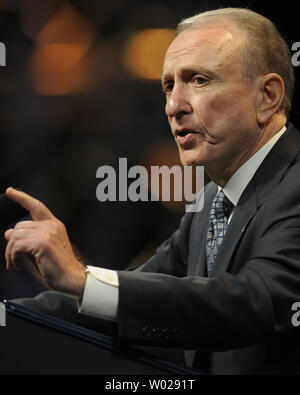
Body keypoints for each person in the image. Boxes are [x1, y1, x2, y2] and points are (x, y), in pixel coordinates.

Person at [4, 7, 300, 374]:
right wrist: (10, 318)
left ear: (267, 96)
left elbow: (260, 301)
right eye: (169, 86)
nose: (174, 106)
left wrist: (82, 280)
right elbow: (143, 295)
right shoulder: (211, 201)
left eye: (199, 80)